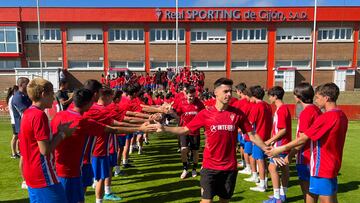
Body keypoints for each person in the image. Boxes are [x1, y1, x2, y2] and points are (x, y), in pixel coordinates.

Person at [157, 78, 268, 203]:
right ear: (216, 92)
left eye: (230, 91)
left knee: (224, 201)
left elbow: (252, 134)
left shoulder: (238, 114)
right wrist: (164, 128)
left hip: (229, 168)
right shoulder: (205, 113)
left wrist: (267, 149)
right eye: (225, 91)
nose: (229, 94)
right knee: (206, 201)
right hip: (209, 167)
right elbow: (184, 129)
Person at [51, 88, 157, 203]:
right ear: (88, 103)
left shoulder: (59, 115)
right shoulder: (83, 121)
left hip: (59, 167)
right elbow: (114, 129)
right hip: (71, 170)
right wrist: (140, 128)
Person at [267, 83, 348, 203]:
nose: (316, 100)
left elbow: (303, 138)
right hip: (331, 162)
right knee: (323, 196)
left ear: (326, 98)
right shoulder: (341, 115)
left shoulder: (327, 116)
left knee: (323, 198)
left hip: (322, 165)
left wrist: (280, 149)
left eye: (318, 97)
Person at [19, 77, 75, 203]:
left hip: (32, 172)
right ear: (44, 94)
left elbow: (35, 143)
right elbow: (45, 150)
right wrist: (63, 134)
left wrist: (58, 132)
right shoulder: (39, 115)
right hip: (42, 174)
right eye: (52, 94)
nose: (54, 97)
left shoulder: (28, 112)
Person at [286, 82, 322, 202]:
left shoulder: (306, 112)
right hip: (314, 156)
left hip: (306, 156)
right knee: (313, 191)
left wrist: (290, 155)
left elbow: (302, 139)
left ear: (299, 96)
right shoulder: (316, 109)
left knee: (308, 192)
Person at [263, 86, 292, 203]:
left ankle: (277, 198)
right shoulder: (283, 108)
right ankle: (282, 194)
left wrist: (270, 141)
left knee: (272, 167)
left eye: (270, 95)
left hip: (281, 144)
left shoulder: (281, 109)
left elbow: (283, 130)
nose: (269, 98)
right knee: (284, 168)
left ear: (275, 96)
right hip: (283, 143)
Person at [245, 86, 273, 193]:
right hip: (267, 136)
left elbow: (250, 123)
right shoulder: (267, 105)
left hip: (259, 138)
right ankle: (264, 181)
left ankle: (262, 185)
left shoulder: (257, 106)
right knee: (264, 161)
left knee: (260, 161)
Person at [174, 85, 205, 179]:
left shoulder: (199, 104)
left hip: (195, 131)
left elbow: (204, 115)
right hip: (184, 130)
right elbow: (177, 115)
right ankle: (185, 168)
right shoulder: (182, 103)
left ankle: (194, 169)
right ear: (186, 95)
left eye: (193, 95)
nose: (191, 97)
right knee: (183, 149)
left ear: (195, 95)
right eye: (189, 95)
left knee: (195, 151)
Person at [11, 77, 32, 189]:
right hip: (23, 130)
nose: (29, 86)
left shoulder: (24, 95)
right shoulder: (18, 97)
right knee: (24, 156)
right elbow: (27, 112)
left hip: (27, 128)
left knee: (29, 155)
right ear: (22, 84)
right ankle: (24, 181)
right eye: (27, 84)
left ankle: (29, 178)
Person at [6, 85, 19, 159]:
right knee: (15, 136)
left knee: (18, 137)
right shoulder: (12, 99)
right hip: (14, 120)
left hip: (16, 120)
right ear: (14, 91)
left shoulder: (13, 98)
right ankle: (13, 153)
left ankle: (17, 151)